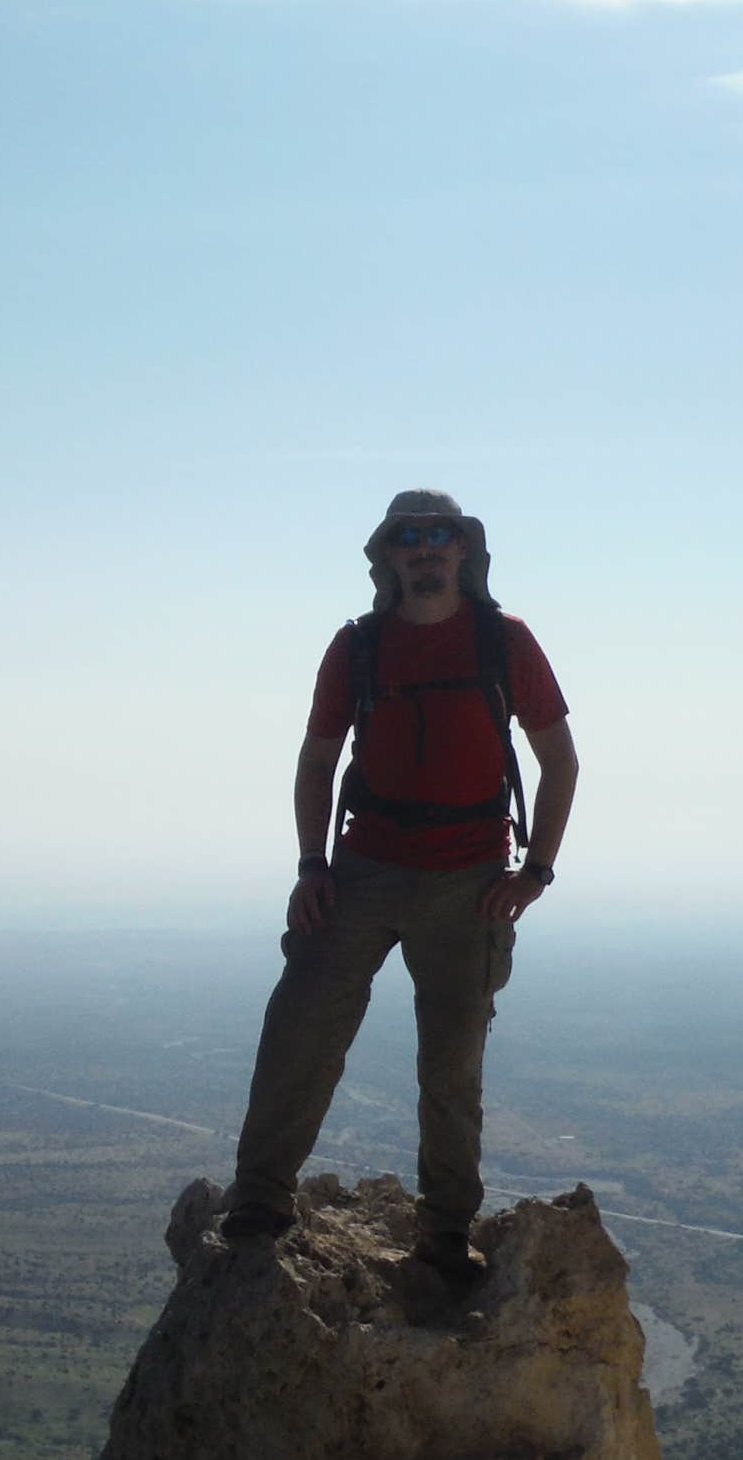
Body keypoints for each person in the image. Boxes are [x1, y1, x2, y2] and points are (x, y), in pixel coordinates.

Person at [217, 490, 579, 1282]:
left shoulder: (502, 641)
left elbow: (561, 759)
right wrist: (312, 866)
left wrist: (536, 872)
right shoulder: (358, 648)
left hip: (470, 880)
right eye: (408, 537)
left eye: (438, 535)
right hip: (365, 869)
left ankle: (445, 1234)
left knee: (451, 1064)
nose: (425, 549)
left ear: (462, 550)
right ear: (386, 555)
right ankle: (259, 1199)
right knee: (301, 1031)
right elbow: (316, 761)